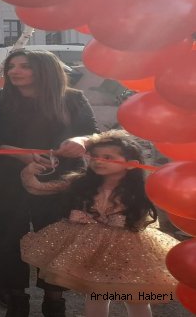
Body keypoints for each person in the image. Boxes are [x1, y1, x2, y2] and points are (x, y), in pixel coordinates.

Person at [0, 49, 99, 317]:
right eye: (11, 66)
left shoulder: (72, 99)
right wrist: (16, 152)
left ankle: (54, 301)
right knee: (8, 239)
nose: (13, 71)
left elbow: (93, 134)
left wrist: (81, 141)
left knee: (56, 240)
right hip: (4, 181)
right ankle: (16, 301)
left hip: (62, 182)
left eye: (24, 66)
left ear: (45, 70)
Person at [19, 130, 179, 317]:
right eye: (94, 156)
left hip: (131, 248)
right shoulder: (80, 183)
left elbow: (173, 200)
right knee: (96, 294)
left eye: (107, 157)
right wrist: (28, 173)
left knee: (136, 297)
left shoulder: (142, 190)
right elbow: (37, 189)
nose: (98, 160)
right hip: (91, 245)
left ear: (131, 165)